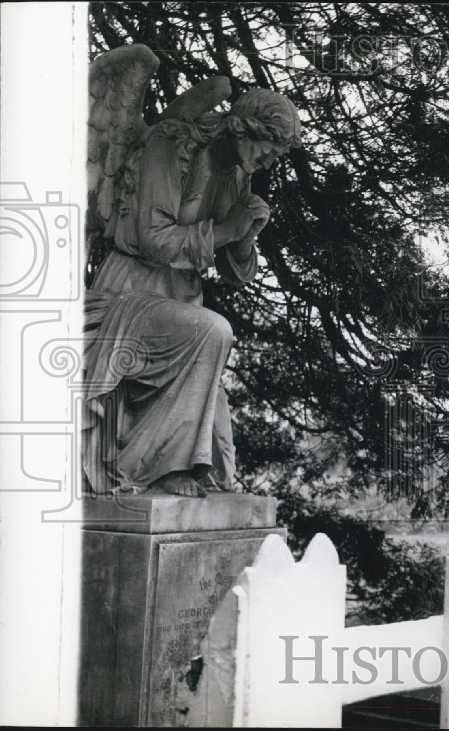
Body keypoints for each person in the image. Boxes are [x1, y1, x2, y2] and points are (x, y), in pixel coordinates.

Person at [82, 89, 301, 497]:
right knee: (213, 332)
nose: (272, 160)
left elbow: (235, 272)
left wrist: (244, 238)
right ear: (242, 125)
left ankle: (171, 467)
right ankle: (156, 469)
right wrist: (225, 231)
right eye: (270, 147)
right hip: (129, 292)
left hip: (181, 300)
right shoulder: (172, 143)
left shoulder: (237, 171)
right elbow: (152, 238)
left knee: (220, 473)